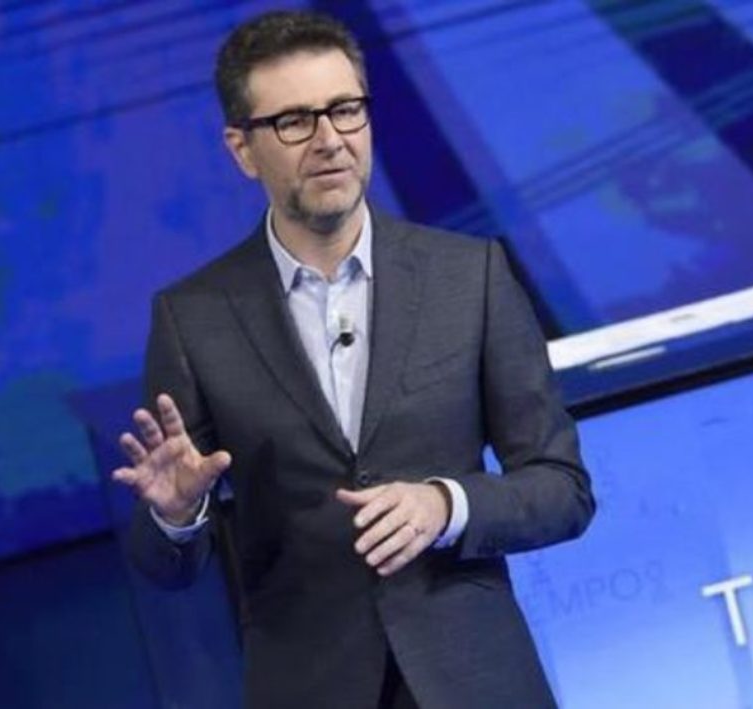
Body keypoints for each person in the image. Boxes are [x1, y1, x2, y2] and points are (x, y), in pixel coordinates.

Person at [111, 10, 594, 708]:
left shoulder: (471, 276)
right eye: (294, 121)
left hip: (477, 680)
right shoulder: (194, 318)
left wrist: (447, 503)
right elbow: (166, 568)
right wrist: (176, 515)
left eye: (345, 109)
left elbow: (562, 489)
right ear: (242, 149)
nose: (330, 139)